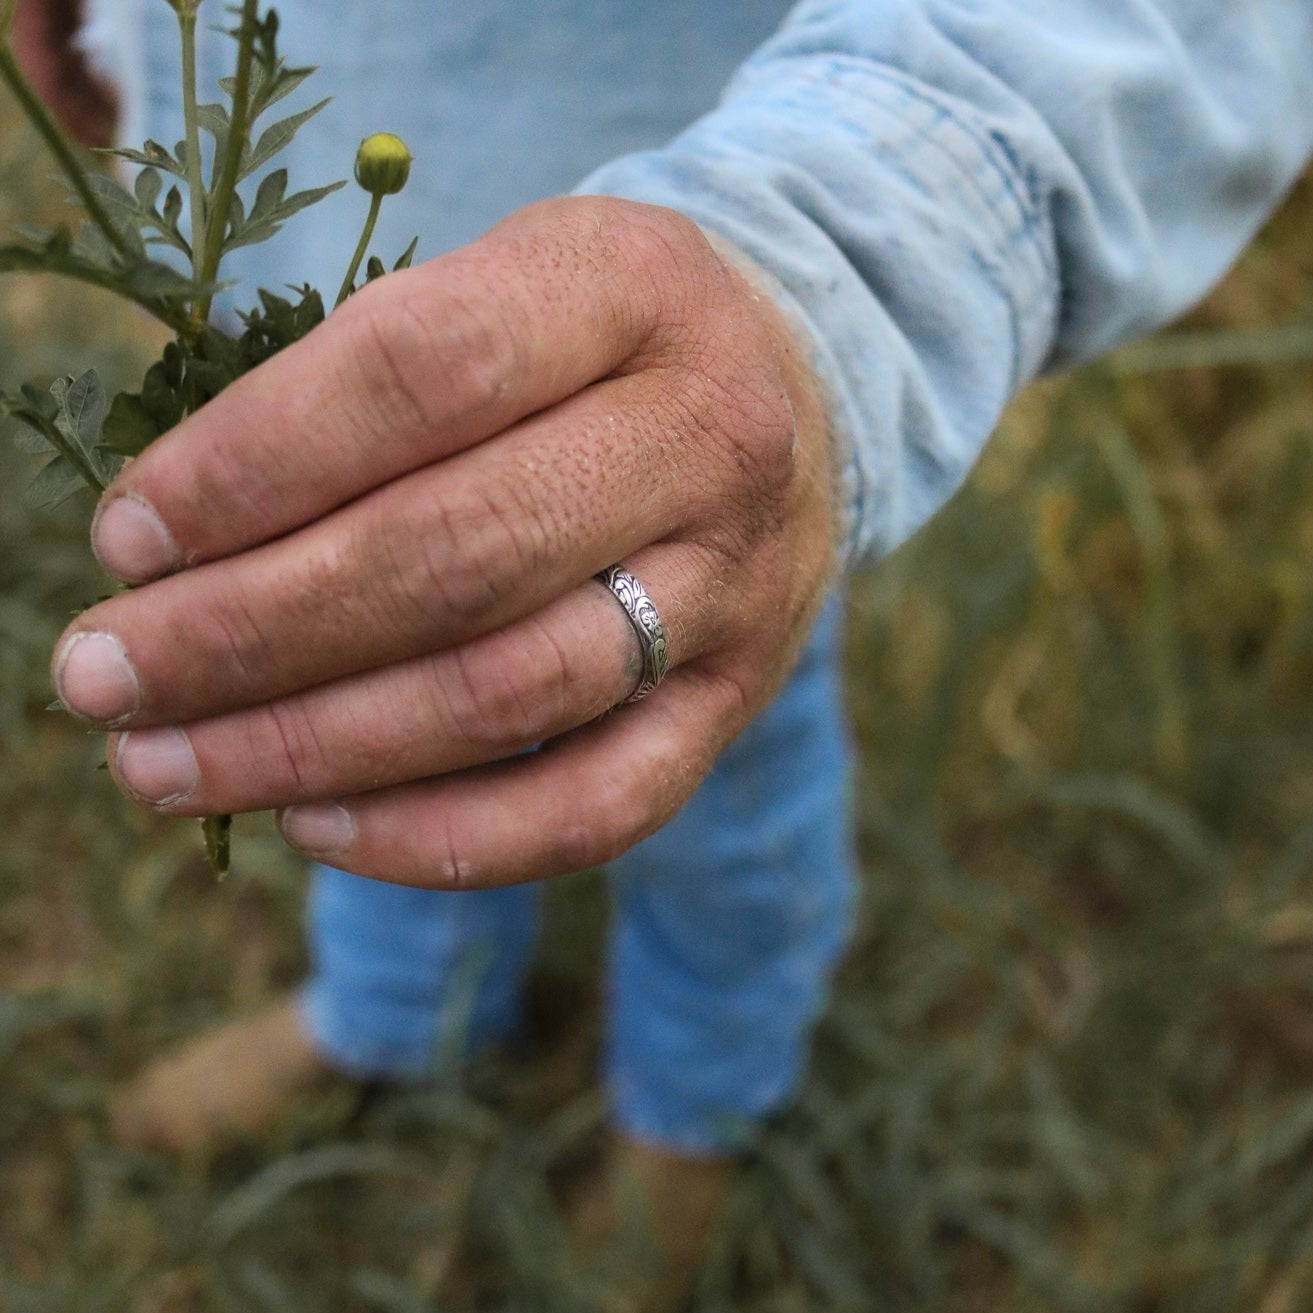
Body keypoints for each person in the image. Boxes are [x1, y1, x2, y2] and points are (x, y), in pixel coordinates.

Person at [17, 0, 1313, 1303]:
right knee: (375, 704)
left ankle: (695, 1106)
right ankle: (398, 1009)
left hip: (662, 339)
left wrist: (821, 273)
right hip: (298, 263)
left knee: (717, 779)